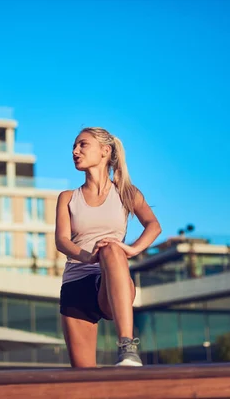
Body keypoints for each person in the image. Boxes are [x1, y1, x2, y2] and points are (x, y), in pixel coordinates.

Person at [55, 128, 162, 367]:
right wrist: (89, 256)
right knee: (84, 383)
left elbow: (154, 225)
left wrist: (132, 250)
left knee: (111, 249)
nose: (75, 151)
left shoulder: (125, 193)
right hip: (76, 284)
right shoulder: (67, 197)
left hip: (114, 282)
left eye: (82, 145)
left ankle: (127, 346)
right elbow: (62, 240)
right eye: (74, 146)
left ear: (105, 151)